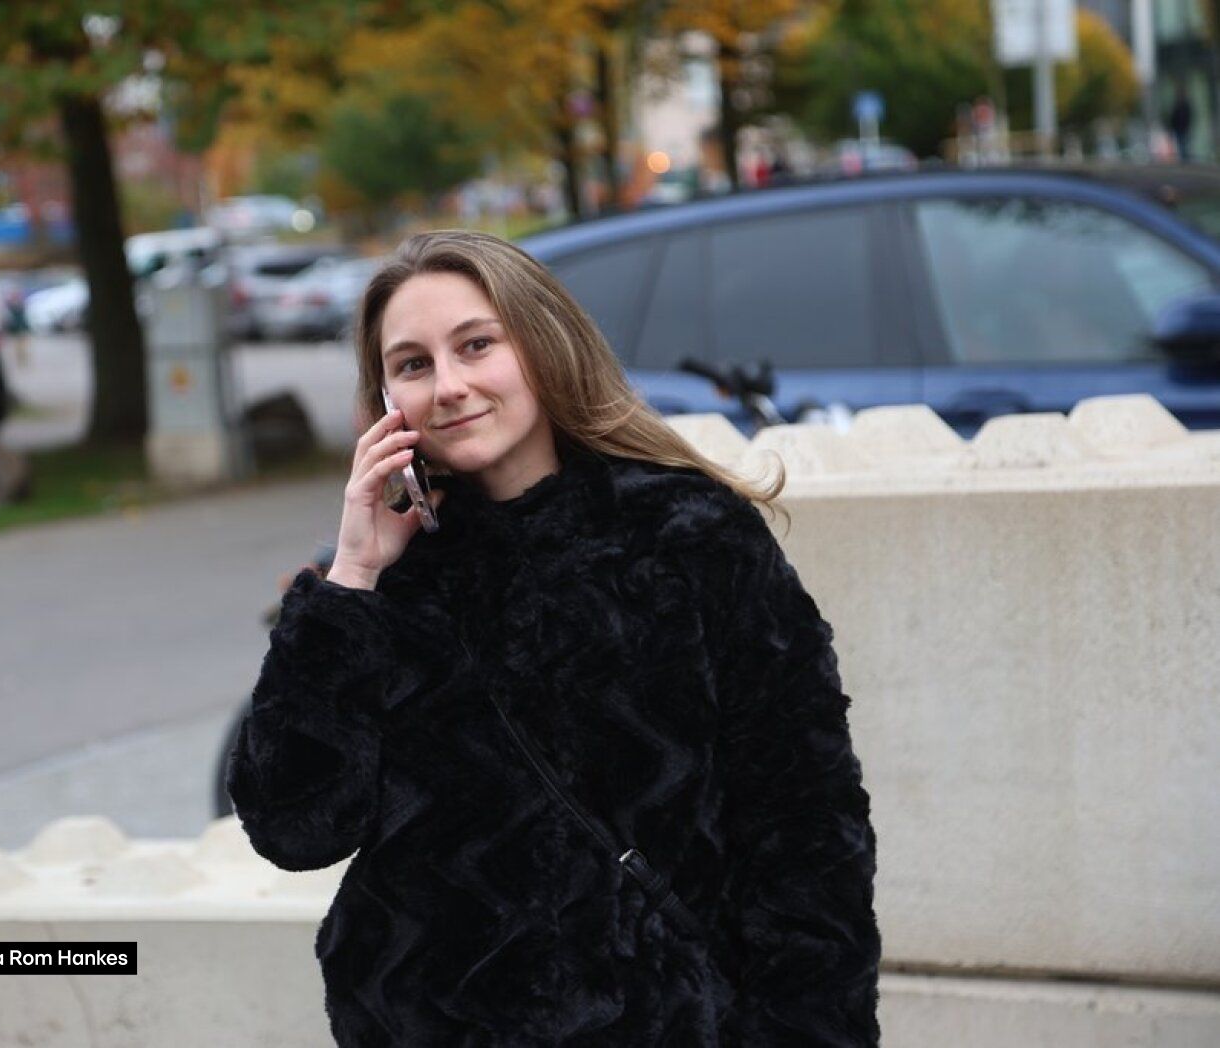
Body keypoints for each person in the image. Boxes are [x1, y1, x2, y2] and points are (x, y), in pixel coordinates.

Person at [225, 230, 881, 1045]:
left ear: (543, 343)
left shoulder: (687, 536)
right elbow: (293, 829)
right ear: (387, 397)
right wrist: (352, 574)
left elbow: (806, 820)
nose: (450, 386)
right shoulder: (382, 584)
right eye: (414, 364)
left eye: (477, 345)